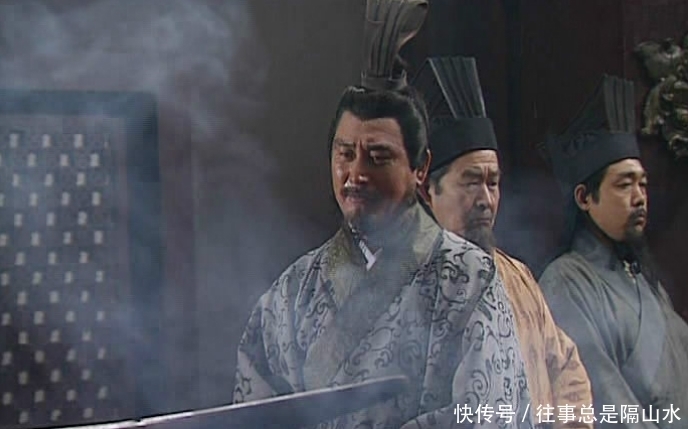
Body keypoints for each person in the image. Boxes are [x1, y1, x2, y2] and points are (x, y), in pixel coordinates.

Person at [232, 1, 535, 428]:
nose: (356, 174)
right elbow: (255, 410)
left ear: (420, 168)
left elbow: (488, 412)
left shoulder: (468, 279)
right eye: (345, 154)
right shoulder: (293, 292)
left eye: (378, 157)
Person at [416, 56, 593, 429]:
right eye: (470, 182)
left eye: (492, 183)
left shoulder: (517, 276)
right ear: (429, 190)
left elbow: (564, 367)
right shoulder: (410, 281)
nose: (485, 199)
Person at [538, 75, 688, 429]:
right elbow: (604, 399)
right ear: (584, 198)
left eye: (642, 184)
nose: (639, 198)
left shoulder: (644, 280)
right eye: (623, 185)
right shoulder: (565, 282)